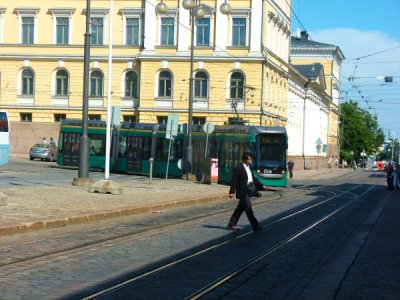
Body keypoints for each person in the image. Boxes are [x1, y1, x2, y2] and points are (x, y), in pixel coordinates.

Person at [227, 152, 266, 233]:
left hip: (249, 190)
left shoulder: (249, 167)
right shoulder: (239, 168)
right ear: (244, 160)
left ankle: (231, 224)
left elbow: (253, 179)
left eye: (251, 159)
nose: (250, 161)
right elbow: (234, 180)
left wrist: (261, 185)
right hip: (242, 191)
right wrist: (232, 192)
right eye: (249, 159)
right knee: (249, 209)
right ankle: (256, 227)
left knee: (240, 208)